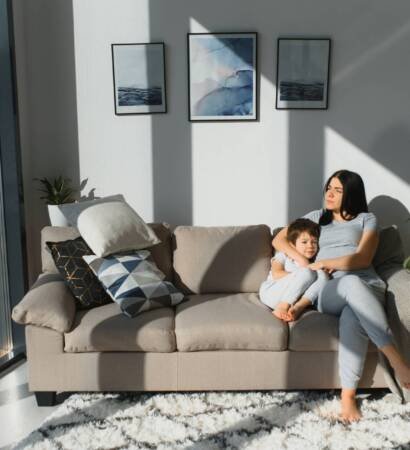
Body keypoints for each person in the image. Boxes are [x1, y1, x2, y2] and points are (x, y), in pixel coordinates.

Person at [272, 169, 410, 423]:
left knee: (353, 318)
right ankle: (396, 359)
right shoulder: (316, 218)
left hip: (369, 286)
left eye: (337, 190)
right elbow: (279, 239)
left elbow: (363, 258)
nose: (330, 194)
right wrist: (306, 262)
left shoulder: (367, 219)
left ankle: (347, 396)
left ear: (351, 194)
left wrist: (328, 262)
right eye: (328, 188)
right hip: (329, 290)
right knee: (349, 283)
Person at [259, 218, 328, 322]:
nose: (310, 246)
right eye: (304, 242)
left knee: (323, 275)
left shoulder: (313, 264)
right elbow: (276, 274)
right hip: (272, 293)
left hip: (294, 301)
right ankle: (282, 306)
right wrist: (302, 275)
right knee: (307, 272)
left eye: (314, 242)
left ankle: (297, 308)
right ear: (292, 244)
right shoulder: (283, 255)